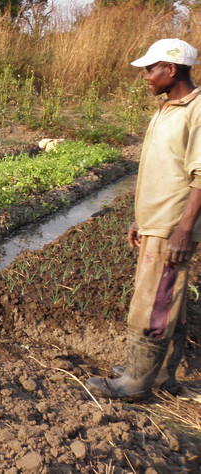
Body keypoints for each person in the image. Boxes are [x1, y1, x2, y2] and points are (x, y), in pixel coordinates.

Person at [85, 38, 201, 401]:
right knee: (169, 302)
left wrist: (183, 229)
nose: (146, 77)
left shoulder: (196, 110)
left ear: (172, 69)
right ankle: (159, 372)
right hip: (156, 223)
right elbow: (162, 168)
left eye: (151, 70)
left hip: (171, 227)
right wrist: (140, 218)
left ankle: (136, 383)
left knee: (155, 303)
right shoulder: (169, 107)